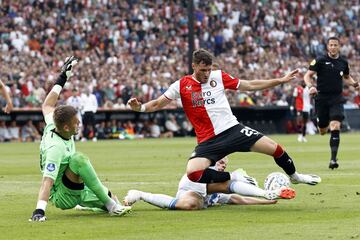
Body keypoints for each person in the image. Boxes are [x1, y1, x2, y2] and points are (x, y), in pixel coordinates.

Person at [128, 49, 321, 188]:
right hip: (208, 141)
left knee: (276, 149)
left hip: (233, 130)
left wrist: (279, 80)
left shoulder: (218, 77)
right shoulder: (181, 85)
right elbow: (157, 104)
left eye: (209, 70)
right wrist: (140, 107)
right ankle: (235, 177)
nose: (206, 74)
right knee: (193, 173)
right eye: (202, 70)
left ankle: (294, 176)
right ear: (193, 66)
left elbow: (250, 85)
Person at [30, 56, 131, 222]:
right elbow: (47, 181)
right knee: (79, 159)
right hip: (62, 195)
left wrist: (63, 77)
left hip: (72, 183)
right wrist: (39, 211)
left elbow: (47, 105)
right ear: (66, 127)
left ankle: (99, 204)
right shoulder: (55, 148)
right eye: (76, 123)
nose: (79, 125)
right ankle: (111, 207)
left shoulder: (53, 123)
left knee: (114, 198)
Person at [123, 157, 295, 210]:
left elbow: (237, 199)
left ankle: (265, 193)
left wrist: (267, 201)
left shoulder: (221, 176)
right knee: (191, 203)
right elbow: (227, 185)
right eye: (220, 163)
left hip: (203, 195)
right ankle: (140, 194)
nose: (222, 165)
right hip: (191, 188)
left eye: (224, 164)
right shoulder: (204, 171)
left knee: (198, 204)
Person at [304, 37, 360, 169]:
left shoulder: (343, 62)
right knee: (323, 130)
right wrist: (310, 86)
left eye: (335, 45)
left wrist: (355, 84)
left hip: (337, 98)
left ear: (339, 47)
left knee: (335, 125)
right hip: (321, 98)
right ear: (327, 47)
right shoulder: (320, 60)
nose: (333, 47)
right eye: (331, 45)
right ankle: (321, 124)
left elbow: (346, 77)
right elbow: (307, 75)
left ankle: (333, 160)